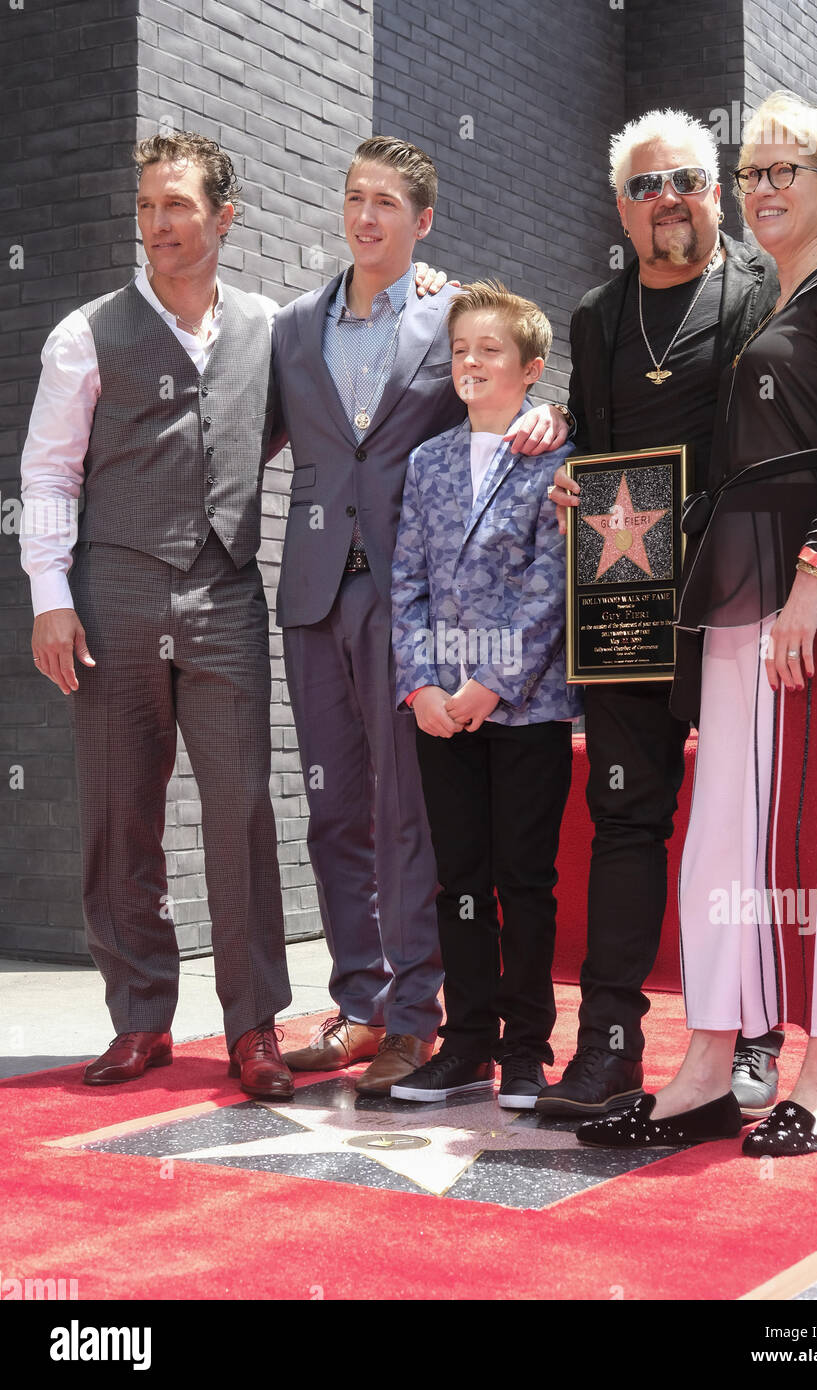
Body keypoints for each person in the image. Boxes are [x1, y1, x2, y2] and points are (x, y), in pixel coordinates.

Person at [577, 91, 817, 1156]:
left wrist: (811, 587)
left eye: (784, 171)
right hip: (731, 596)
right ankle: (710, 1063)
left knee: (814, 835)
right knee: (726, 836)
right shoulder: (777, 298)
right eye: (754, 171)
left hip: (803, 594)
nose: (762, 188)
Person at [273, 138, 571, 1096]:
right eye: (355, 197)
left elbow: (507, 378)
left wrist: (553, 415)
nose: (367, 217)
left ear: (422, 220)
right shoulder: (289, 329)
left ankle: (416, 1016)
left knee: (410, 819)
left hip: (413, 604)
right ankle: (358, 1005)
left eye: (388, 202)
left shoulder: (449, 320)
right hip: (316, 589)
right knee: (332, 810)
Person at [20, 134, 295, 1099]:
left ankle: (254, 1026)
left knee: (244, 812)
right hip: (114, 592)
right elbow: (49, 474)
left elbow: (357, 381)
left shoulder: (273, 327)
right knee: (118, 815)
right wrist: (51, 600)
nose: (158, 225)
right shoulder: (85, 331)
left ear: (225, 217)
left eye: (176, 206)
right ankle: (140, 1018)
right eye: (145, 207)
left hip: (225, 593)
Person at [541, 110, 784, 1119]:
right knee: (625, 819)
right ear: (620, 208)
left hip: (733, 604)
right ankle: (605, 1048)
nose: (666, 201)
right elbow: (591, 442)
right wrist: (567, 481)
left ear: (716, 189)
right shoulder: (597, 317)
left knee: (744, 829)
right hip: (625, 605)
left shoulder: (762, 291)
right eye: (645, 188)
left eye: (683, 179)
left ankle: (753, 1040)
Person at [388, 281, 583, 1107]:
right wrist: (422, 688)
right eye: (461, 348)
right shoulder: (427, 461)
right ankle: (465, 1043)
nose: (471, 361)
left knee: (525, 879)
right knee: (459, 878)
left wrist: (490, 687)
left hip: (527, 707)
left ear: (531, 369)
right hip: (441, 712)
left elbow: (553, 585)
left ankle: (528, 1049)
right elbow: (407, 582)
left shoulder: (555, 460)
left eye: (490, 350)